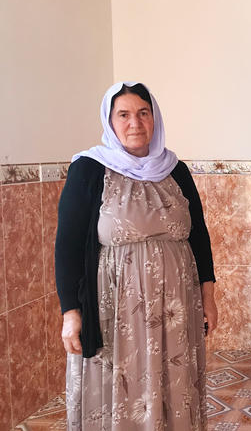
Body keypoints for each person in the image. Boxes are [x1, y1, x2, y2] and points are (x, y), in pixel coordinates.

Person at [55, 82, 218, 430]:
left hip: (175, 308)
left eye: (144, 113)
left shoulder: (175, 170)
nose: (135, 123)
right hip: (115, 310)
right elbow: (67, 244)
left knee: (172, 380)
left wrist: (209, 296)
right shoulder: (89, 169)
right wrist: (70, 313)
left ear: (154, 118)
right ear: (110, 121)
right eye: (124, 115)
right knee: (122, 382)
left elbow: (199, 235)